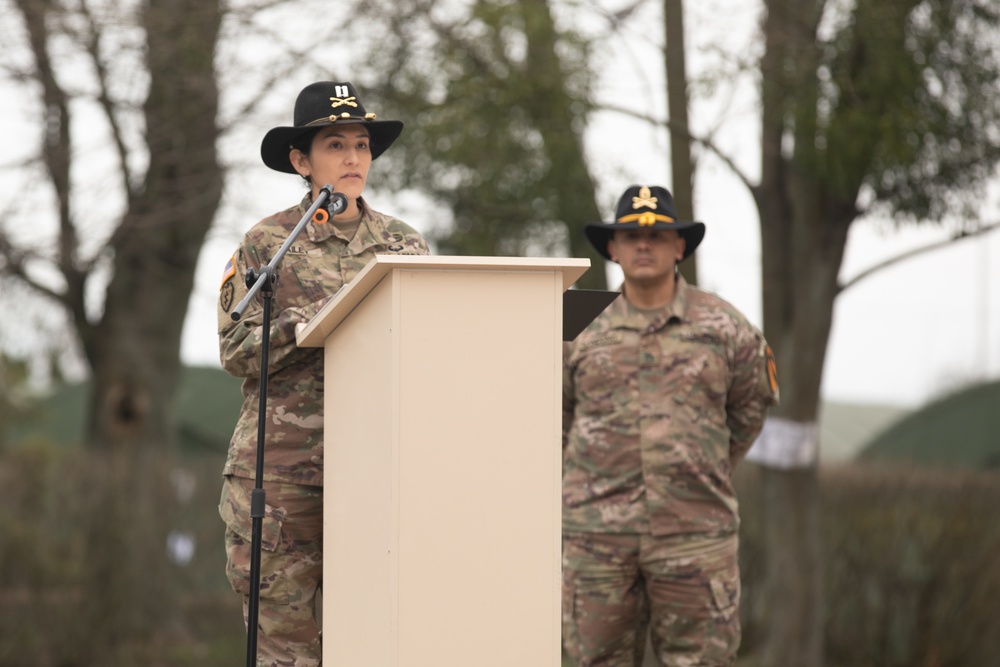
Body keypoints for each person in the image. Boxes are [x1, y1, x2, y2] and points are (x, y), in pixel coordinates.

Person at [216, 80, 429, 666]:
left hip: (377, 472)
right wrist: (315, 319)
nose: (354, 157)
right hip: (283, 478)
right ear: (301, 161)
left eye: (362, 144)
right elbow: (235, 347)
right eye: (336, 144)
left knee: (373, 644)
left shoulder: (405, 246)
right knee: (284, 651)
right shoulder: (267, 243)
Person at [561, 185, 779, 666]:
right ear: (612, 249)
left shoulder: (724, 325)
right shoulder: (574, 323)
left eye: (657, 235)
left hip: (695, 538)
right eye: (631, 236)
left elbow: (750, 408)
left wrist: (698, 469)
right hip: (597, 542)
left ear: (679, 246)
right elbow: (553, 417)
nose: (644, 245)